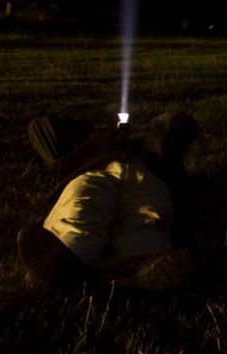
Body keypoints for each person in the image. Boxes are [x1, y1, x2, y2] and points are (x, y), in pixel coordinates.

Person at [16, 111, 201, 291]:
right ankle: (69, 259)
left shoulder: (168, 160)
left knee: (146, 221)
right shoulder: (100, 141)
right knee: (83, 204)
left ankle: (144, 269)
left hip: (150, 180)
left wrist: (161, 144)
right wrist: (95, 130)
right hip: (100, 172)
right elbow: (40, 125)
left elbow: (183, 125)